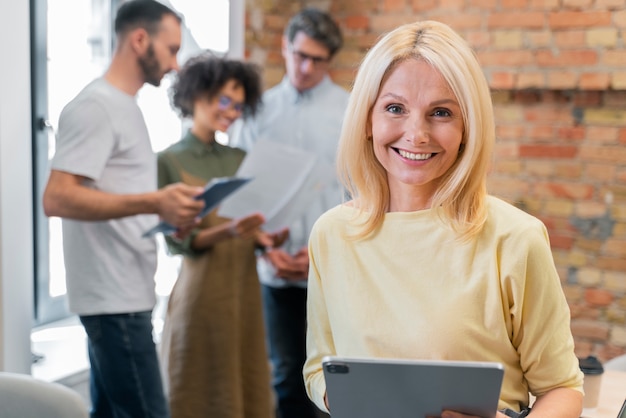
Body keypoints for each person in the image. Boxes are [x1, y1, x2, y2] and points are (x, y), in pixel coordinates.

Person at [303, 20, 584, 418]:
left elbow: (562, 388)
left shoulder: (516, 239)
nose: (416, 134)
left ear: (467, 126)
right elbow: (319, 369)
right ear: (367, 119)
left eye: (441, 112)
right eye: (395, 108)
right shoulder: (331, 235)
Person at [42, 1, 205, 417]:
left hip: (125, 294)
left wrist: (166, 217)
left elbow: (119, 202)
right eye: (170, 50)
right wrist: (154, 200)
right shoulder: (95, 107)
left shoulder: (124, 106)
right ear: (139, 39)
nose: (174, 64)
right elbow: (57, 197)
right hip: (112, 300)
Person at [229, 7, 348, 418]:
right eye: (299, 55)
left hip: (334, 273)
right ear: (285, 47)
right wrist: (264, 250)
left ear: (330, 61)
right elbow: (240, 192)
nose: (305, 67)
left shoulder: (350, 112)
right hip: (274, 269)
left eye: (317, 59)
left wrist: (320, 256)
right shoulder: (257, 111)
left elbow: (362, 197)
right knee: (287, 377)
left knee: (338, 380)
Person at [157, 53, 284, 418]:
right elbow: (179, 242)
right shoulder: (169, 160)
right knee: (197, 392)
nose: (231, 112)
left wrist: (266, 240)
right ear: (197, 94)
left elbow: (248, 224)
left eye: (239, 106)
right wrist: (228, 231)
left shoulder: (241, 157)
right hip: (202, 296)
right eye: (224, 101)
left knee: (247, 388)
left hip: (244, 293)